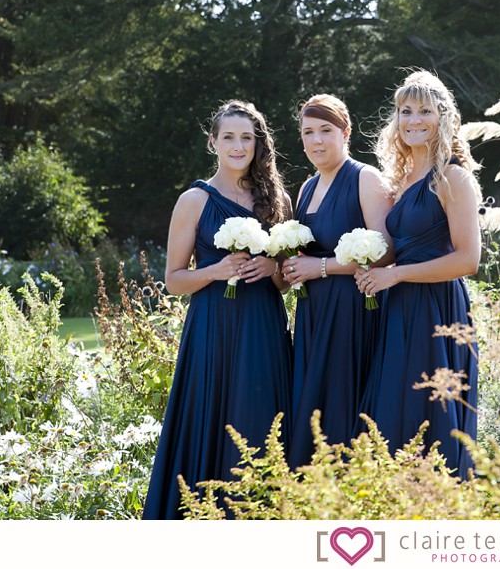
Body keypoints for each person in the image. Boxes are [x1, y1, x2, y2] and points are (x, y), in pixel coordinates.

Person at [142, 99, 293, 519]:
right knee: (211, 416)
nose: (238, 146)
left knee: (260, 416)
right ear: (213, 142)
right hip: (213, 327)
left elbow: (284, 280)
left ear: (258, 143)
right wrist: (215, 271)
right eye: (229, 137)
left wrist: (272, 268)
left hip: (262, 324)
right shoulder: (194, 199)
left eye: (247, 138)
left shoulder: (275, 199)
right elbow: (174, 280)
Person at [356, 70, 481, 478]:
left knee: (430, 411)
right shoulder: (402, 180)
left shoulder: (453, 177)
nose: (413, 119)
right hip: (399, 306)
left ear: (443, 117)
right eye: (405, 110)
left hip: (437, 310)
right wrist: (371, 267)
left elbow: (467, 261)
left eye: (424, 110)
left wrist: (395, 274)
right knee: (395, 409)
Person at [281, 93, 393, 470]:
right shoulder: (306, 189)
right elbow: (306, 254)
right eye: (308, 132)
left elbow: (385, 253)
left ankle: (349, 485)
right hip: (312, 312)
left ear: (346, 132)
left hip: (353, 310)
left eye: (325, 130)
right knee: (311, 403)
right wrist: (292, 267)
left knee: (342, 402)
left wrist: (322, 268)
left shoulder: (365, 178)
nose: (316, 140)